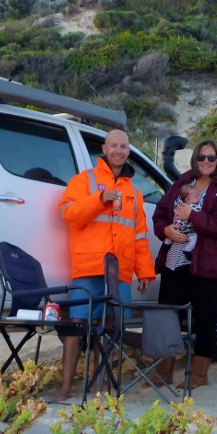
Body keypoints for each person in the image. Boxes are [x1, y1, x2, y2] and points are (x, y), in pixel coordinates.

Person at [56, 129, 156, 401]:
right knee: (77, 324)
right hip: (88, 267)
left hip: (120, 271)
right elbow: (67, 214)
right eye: (114, 145)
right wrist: (99, 200)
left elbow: (140, 237)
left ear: (128, 151)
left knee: (112, 327)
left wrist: (145, 271)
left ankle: (102, 383)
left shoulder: (134, 192)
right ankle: (65, 387)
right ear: (104, 148)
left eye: (124, 146)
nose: (119, 151)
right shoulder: (84, 180)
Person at [152, 140, 217, 389]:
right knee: (167, 314)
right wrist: (165, 229)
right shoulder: (182, 183)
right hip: (173, 261)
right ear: (194, 159)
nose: (206, 162)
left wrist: (193, 216)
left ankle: (199, 375)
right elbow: (159, 214)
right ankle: (164, 371)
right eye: (202, 157)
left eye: (211, 158)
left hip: (207, 264)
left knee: (205, 318)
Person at [163, 183, 199, 259]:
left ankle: (167, 243)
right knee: (194, 238)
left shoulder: (178, 202)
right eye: (196, 197)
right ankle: (187, 250)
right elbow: (200, 213)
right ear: (187, 200)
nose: (199, 198)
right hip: (186, 229)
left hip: (176, 226)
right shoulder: (192, 206)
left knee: (171, 234)